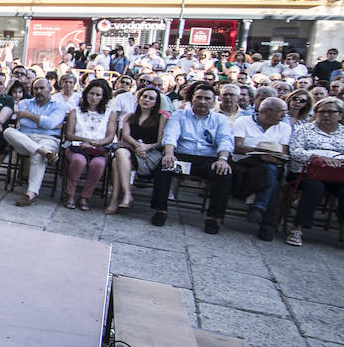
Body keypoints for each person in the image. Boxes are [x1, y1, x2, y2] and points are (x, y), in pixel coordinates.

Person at [287, 97, 344, 256]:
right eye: (321, 111)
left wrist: (340, 161)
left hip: (339, 174)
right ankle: (298, 228)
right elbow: (295, 151)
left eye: (331, 112)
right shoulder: (304, 129)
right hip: (310, 172)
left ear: (340, 115)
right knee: (314, 187)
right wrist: (319, 158)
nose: (326, 115)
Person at [151, 82, 234, 233]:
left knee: (224, 173)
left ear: (213, 101)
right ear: (192, 99)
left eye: (207, 98)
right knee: (164, 166)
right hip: (182, 156)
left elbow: (225, 140)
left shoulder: (220, 120)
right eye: (199, 97)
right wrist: (169, 154)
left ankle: (213, 218)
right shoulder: (180, 115)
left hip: (207, 159)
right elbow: (171, 135)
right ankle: (160, 210)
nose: (202, 101)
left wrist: (223, 159)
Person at [232, 97, 291, 241]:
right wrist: (261, 152)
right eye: (281, 112)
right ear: (266, 111)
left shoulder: (284, 127)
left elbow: (283, 153)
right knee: (270, 176)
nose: (284, 115)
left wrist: (272, 157)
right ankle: (266, 223)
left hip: (272, 165)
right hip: (245, 165)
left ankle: (259, 208)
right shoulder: (243, 121)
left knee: (270, 171)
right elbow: (237, 147)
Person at [3, 77, 68, 206]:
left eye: (42, 88)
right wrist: (43, 123)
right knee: (8, 132)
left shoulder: (59, 106)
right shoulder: (24, 103)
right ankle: (45, 152)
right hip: (25, 138)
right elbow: (25, 123)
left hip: (48, 139)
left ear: (50, 89)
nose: (38, 91)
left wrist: (29, 115)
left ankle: (30, 194)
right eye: (36, 88)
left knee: (37, 155)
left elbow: (51, 123)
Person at [105, 86, 167, 214]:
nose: (146, 100)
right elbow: (126, 136)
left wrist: (146, 147)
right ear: (139, 98)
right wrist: (138, 146)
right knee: (120, 154)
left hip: (151, 153)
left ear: (156, 102)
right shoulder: (129, 116)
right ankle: (127, 195)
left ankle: (115, 200)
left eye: (151, 98)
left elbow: (161, 142)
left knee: (116, 161)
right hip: (132, 150)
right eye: (144, 97)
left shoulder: (161, 118)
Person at [62, 79, 117, 211]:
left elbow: (110, 136)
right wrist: (85, 140)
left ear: (104, 97)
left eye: (98, 95)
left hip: (99, 148)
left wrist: (96, 143)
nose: (94, 97)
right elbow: (69, 134)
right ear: (86, 94)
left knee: (98, 164)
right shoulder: (75, 111)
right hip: (77, 147)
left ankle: (85, 196)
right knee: (78, 161)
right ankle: (70, 194)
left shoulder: (110, 113)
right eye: (91, 93)